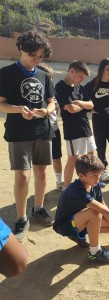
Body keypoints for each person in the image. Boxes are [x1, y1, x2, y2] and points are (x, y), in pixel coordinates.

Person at [0, 30, 56, 240]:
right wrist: (19, 110)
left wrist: (46, 111)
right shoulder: (6, 74)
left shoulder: (42, 74)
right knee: (23, 175)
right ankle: (22, 218)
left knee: (41, 173)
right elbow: (1, 103)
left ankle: (38, 207)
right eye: (33, 55)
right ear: (22, 48)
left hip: (42, 130)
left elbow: (51, 101)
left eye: (40, 56)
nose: (36, 60)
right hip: (18, 133)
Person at [53, 154, 109, 263]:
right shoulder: (76, 191)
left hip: (79, 220)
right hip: (64, 226)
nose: (97, 178)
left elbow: (103, 205)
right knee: (94, 213)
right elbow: (102, 210)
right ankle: (95, 252)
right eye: (93, 175)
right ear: (81, 176)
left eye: (98, 174)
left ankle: (80, 236)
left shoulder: (94, 183)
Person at [55, 60, 95, 188]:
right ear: (72, 71)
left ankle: (91, 183)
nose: (81, 81)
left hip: (86, 127)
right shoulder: (60, 87)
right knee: (73, 158)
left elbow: (91, 104)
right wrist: (81, 105)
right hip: (72, 129)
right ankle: (66, 188)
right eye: (80, 77)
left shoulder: (80, 88)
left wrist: (80, 103)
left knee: (91, 155)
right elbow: (71, 109)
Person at [84, 58, 109, 184]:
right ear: (102, 69)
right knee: (100, 146)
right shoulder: (91, 85)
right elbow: (82, 100)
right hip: (98, 120)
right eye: (108, 69)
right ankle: (103, 170)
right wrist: (91, 110)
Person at [37, 63, 64, 190]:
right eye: (46, 78)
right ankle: (40, 186)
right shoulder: (35, 95)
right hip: (39, 132)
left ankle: (60, 181)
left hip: (53, 130)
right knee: (40, 163)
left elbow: (56, 109)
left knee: (56, 157)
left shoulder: (53, 94)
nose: (49, 81)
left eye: (51, 78)